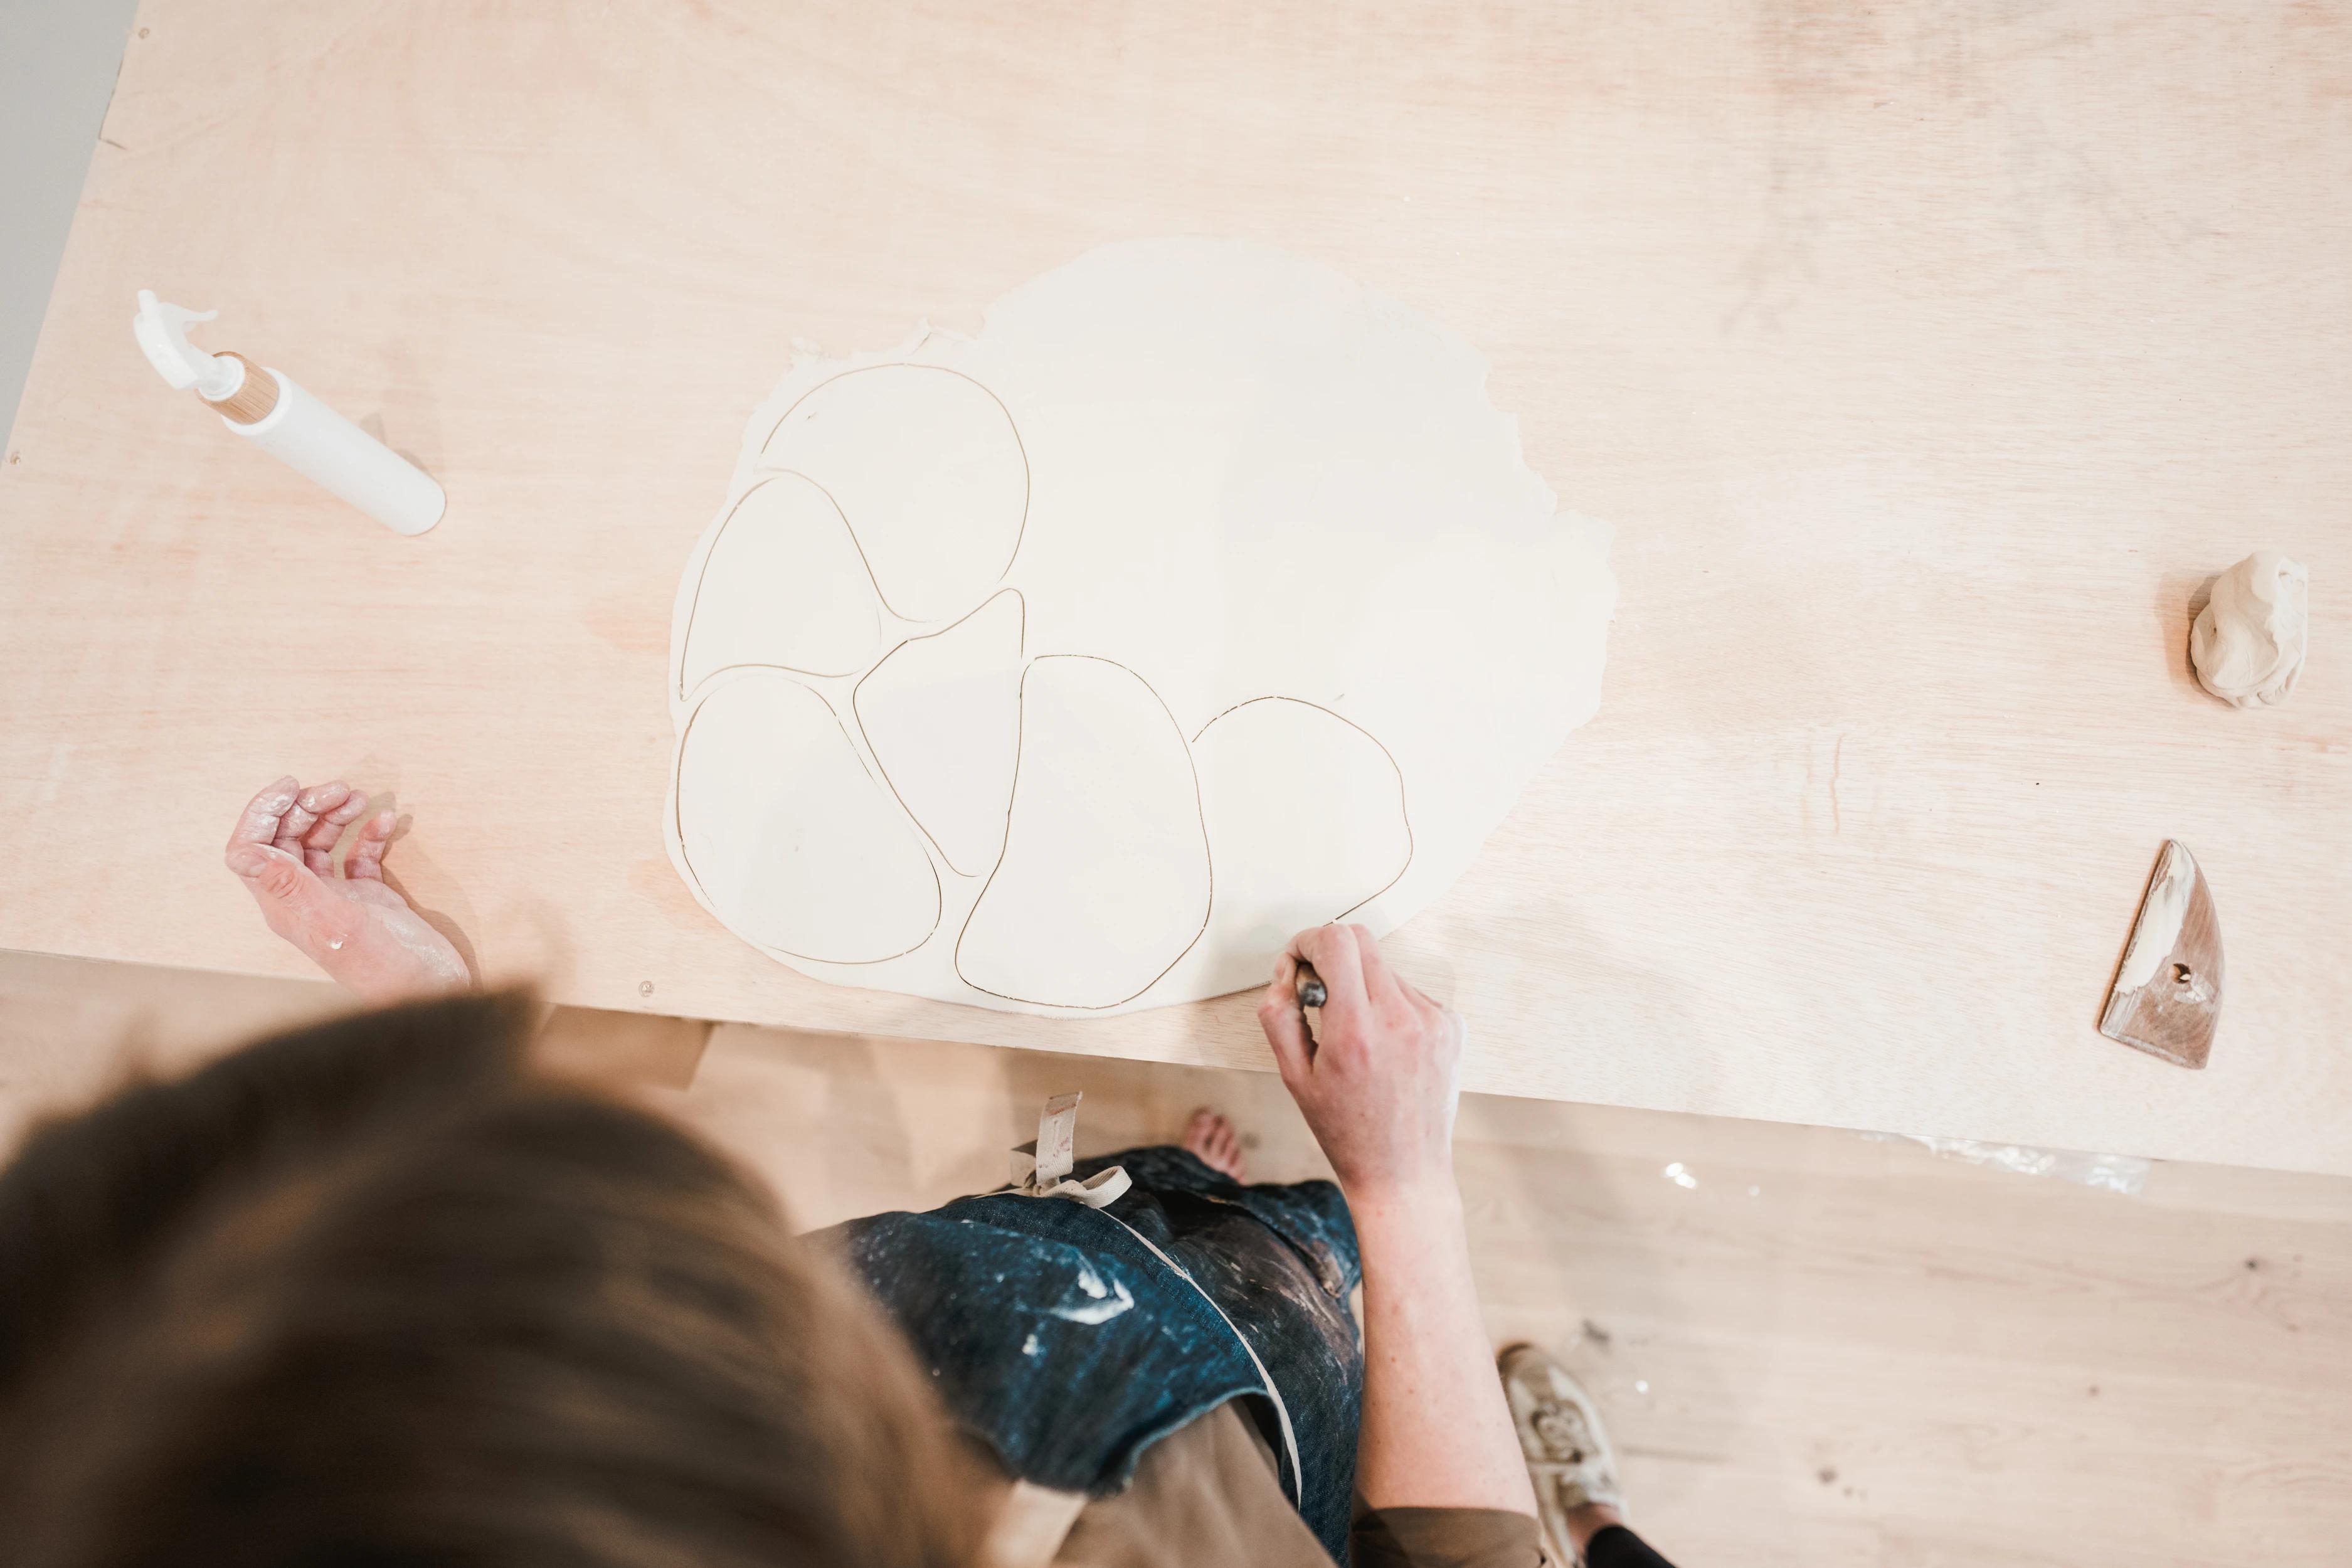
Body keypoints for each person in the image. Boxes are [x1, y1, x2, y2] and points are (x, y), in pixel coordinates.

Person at [0, 776, 1682, 1567]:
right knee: (1277, 1288)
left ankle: (1107, 1207)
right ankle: (1177, 1231)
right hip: (1241, 1452)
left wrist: (427, 1026)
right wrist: (1400, 1184)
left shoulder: (234, 1464)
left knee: (1062, 1243)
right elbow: (1449, 1557)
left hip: (982, 1347)